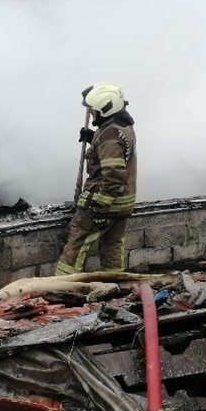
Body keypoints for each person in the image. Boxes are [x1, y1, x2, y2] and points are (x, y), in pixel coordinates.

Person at [56, 83, 138, 276]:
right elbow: (116, 153)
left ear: (105, 109)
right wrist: (93, 138)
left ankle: (62, 288)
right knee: (112, 246)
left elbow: (113, 175)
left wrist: (100, 207)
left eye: (94, 109)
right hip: (122, 204)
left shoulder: (109, 136)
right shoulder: (122, 125)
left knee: (75, 244)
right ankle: (114, 285)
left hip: (104, 202)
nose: (91, 112)